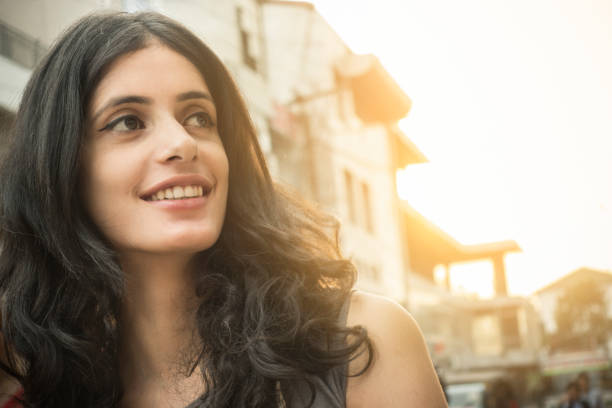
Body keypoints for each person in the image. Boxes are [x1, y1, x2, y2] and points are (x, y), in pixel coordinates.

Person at [0, 11, 447, 408]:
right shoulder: (41, 389)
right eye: (128, 122)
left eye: (199, 117)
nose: (182, 142)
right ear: (59, 167)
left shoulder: (362, 346)